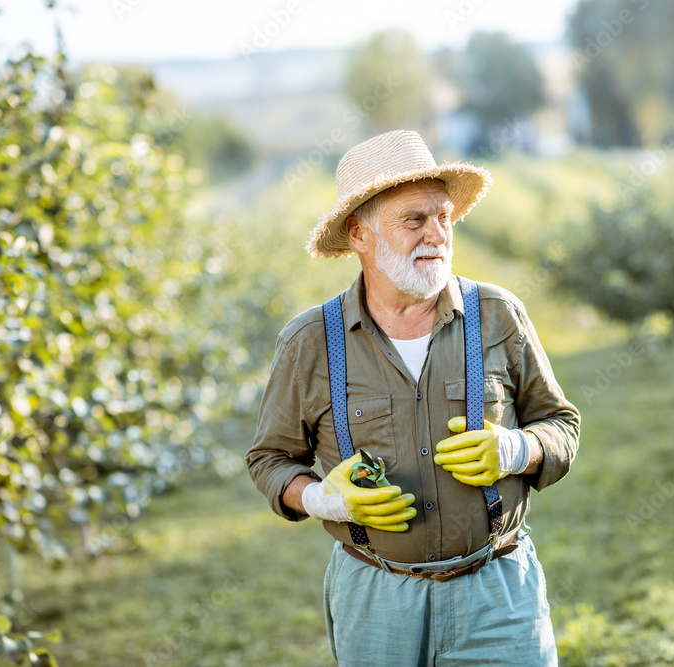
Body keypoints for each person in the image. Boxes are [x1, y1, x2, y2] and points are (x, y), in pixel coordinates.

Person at [246, 129, 581, 666]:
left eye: (444, 217)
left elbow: (560, 424)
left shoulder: (498, 316)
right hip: (376, 596)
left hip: (496, 589)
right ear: (359, 234)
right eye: (414, 220)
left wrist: (516, 451)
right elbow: (269, 460)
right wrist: (322, 498)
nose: (438, 234)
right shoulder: (310, 342)